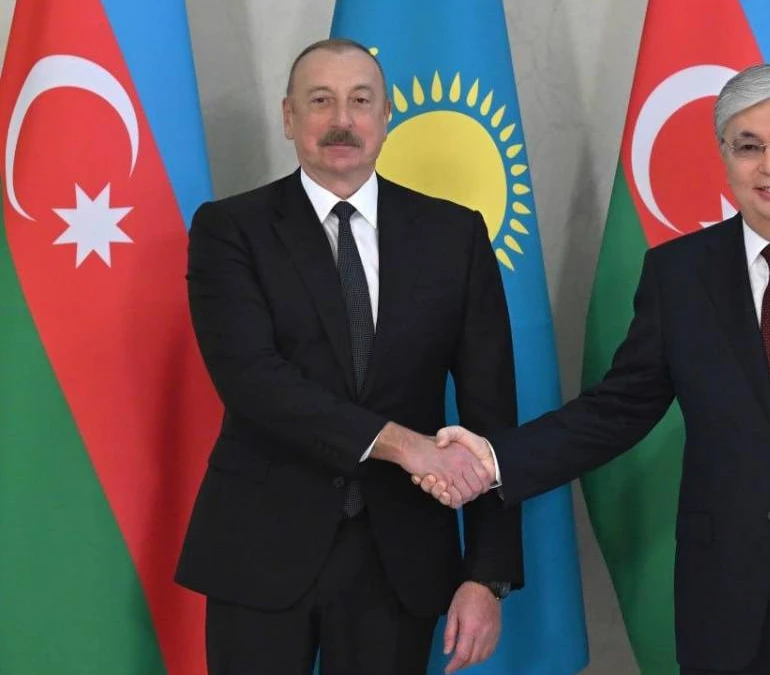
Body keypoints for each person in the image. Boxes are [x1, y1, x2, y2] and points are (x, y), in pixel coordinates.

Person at [423, 64, 770, 675]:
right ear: (724, 156)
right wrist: (494, 460)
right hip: (728, 597)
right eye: (748, 146)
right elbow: (617, 410)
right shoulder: (679, 275)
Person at [175, 38, 520, 675]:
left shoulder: (455, 235)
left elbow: (491, 412)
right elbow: (252, 381)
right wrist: (406, 445)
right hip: (260, 548)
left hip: (400, 561)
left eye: (361, 101)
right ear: (288, 117)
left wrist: (487, 577)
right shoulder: (230, 230)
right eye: (320, 101)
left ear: (386, 117)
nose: (342, 120)